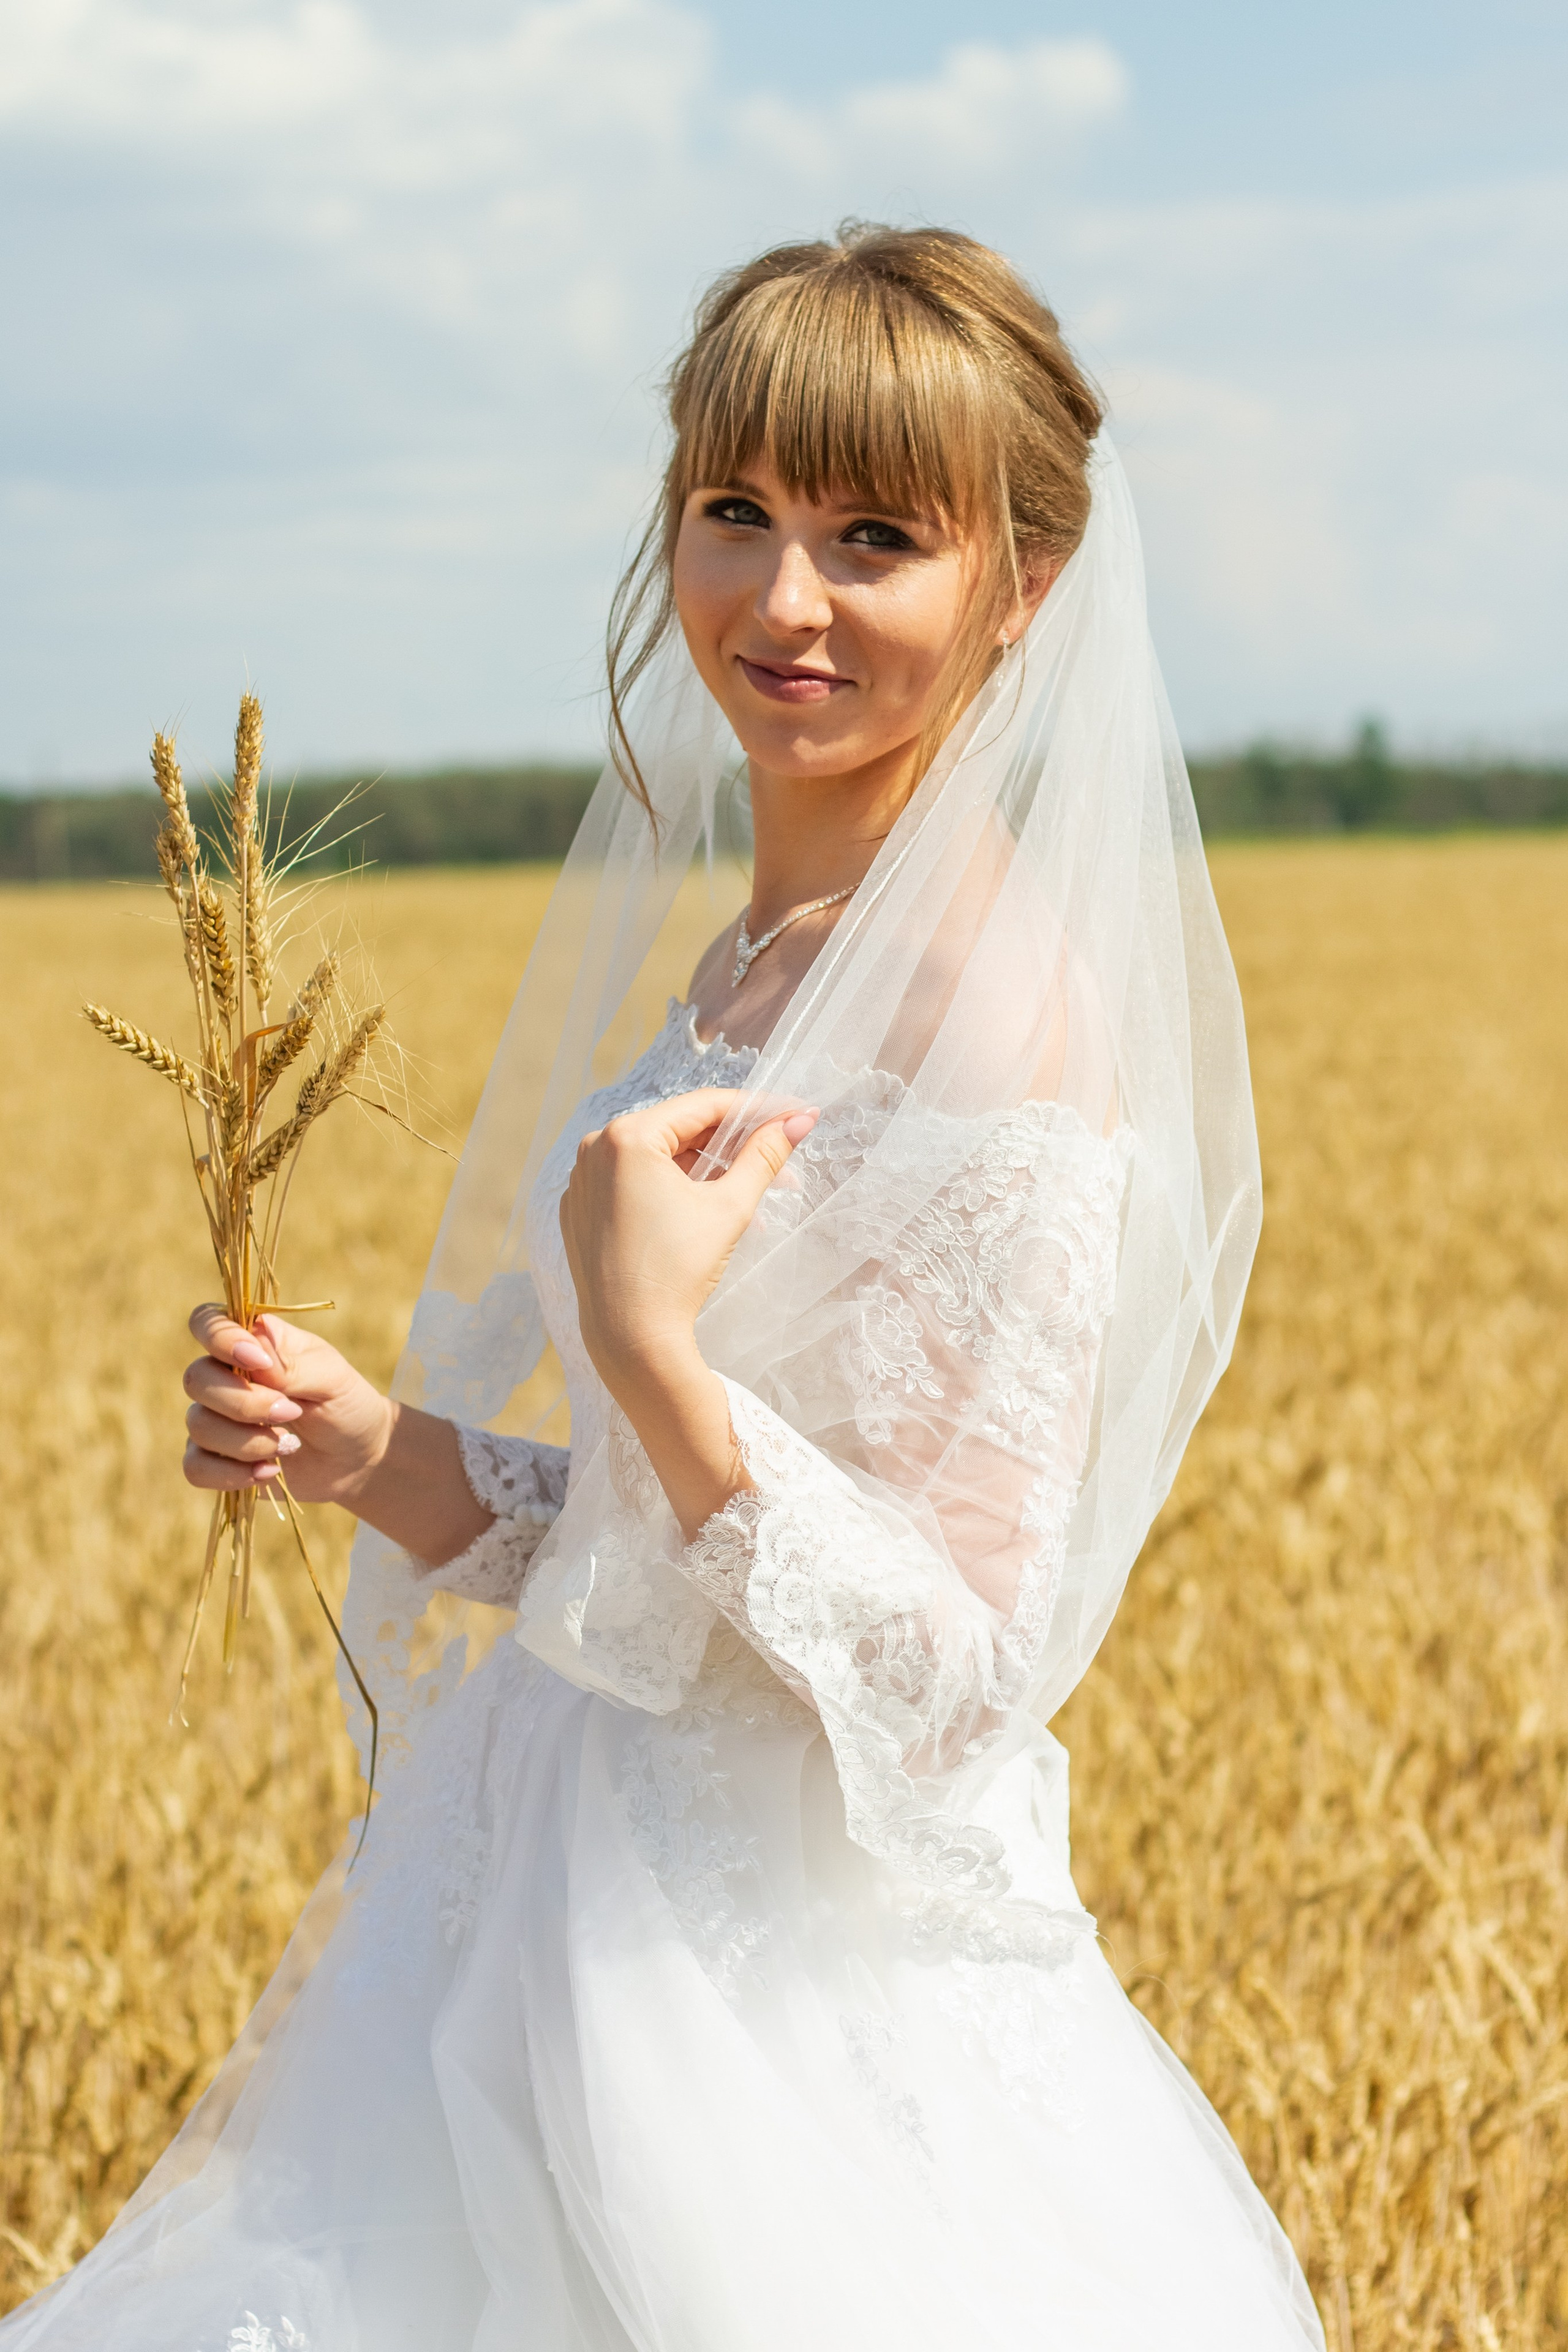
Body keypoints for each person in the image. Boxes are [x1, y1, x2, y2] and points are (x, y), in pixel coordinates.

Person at [1, 225, 1325, 2350]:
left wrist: (645, 1344)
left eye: (873, 535)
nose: (779, 600)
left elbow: (955, 1684)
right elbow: (663, 1555)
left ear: (1025, 590)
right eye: (738, 513)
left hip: (759, 2019)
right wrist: (382, 1456)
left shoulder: (998, 1019)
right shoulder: (745, 967)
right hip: (538, 1902)